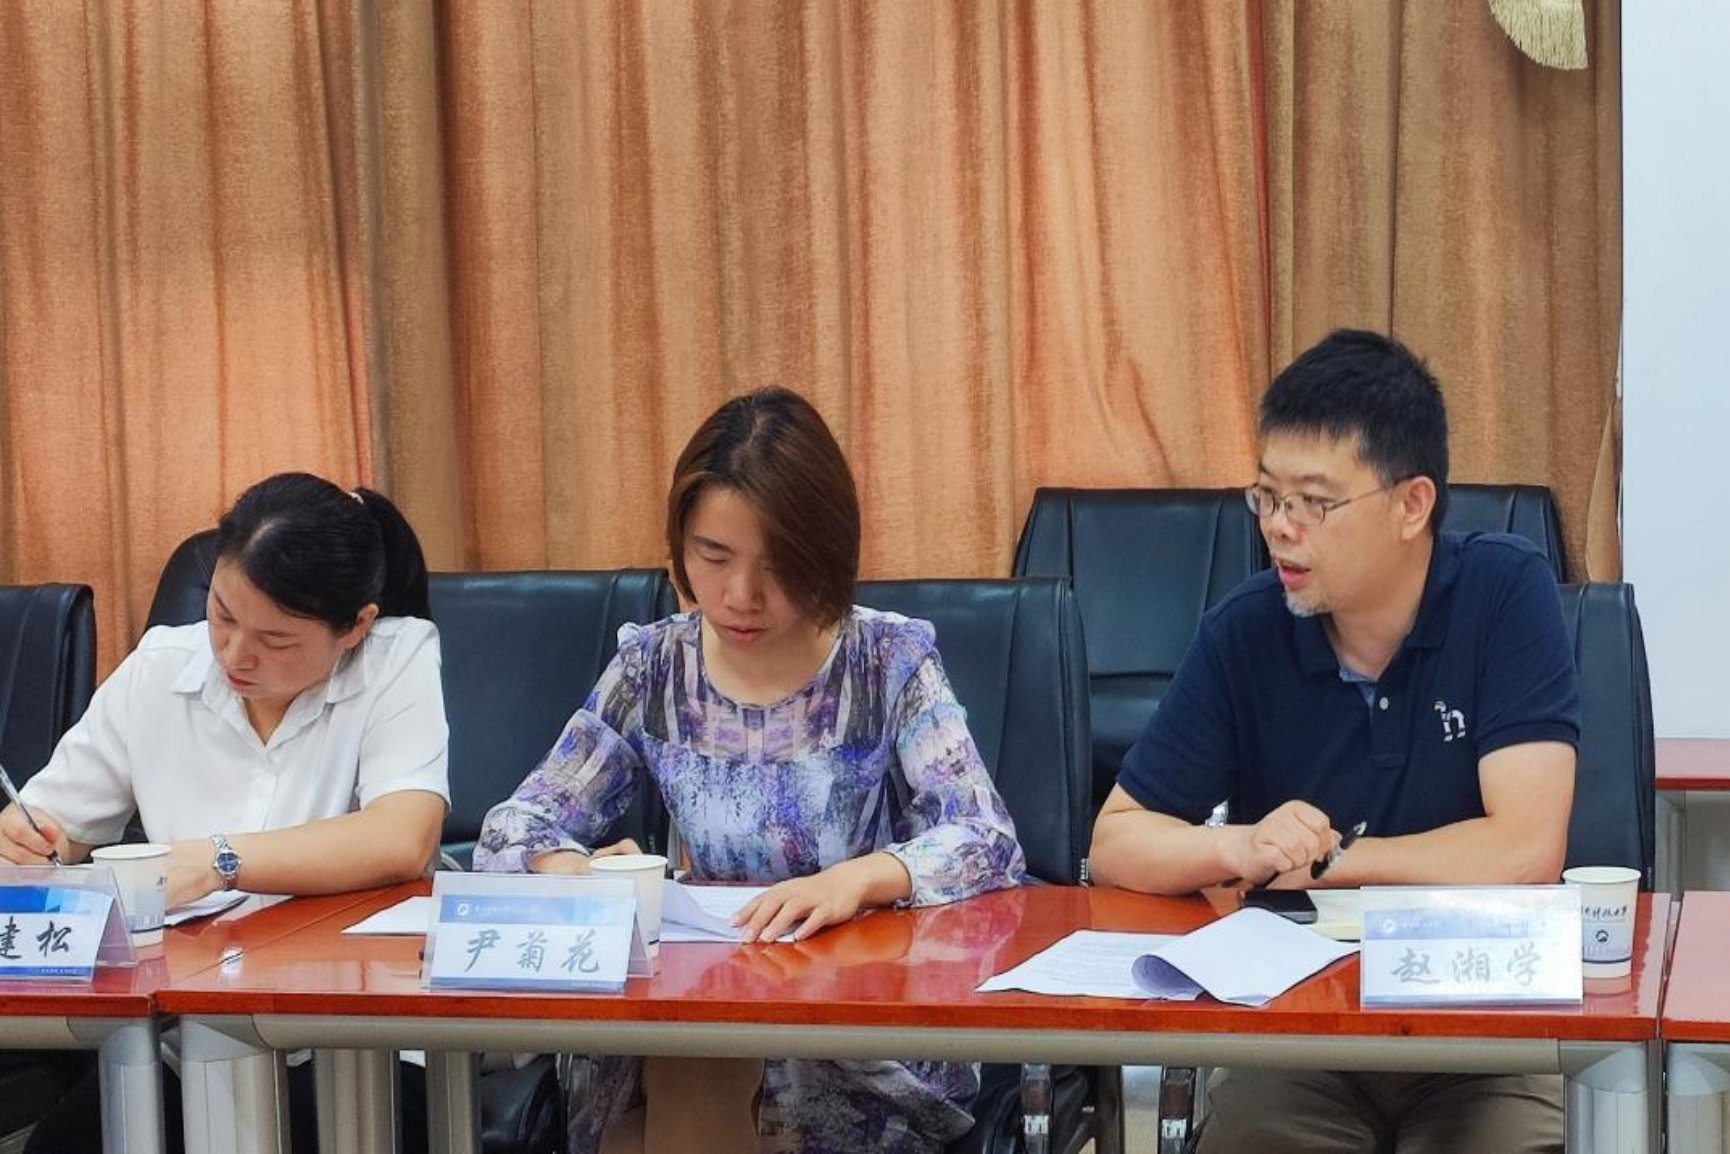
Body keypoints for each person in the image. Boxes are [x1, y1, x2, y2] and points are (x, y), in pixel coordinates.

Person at [476, 386, 1026, 1154]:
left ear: (825, 554)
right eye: (714, 557)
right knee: (689, 1062)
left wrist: (859, 880)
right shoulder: (654, 667)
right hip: (693, 1011)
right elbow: (514, 827)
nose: (741, 596)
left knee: (676, 1102)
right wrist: (576, 870)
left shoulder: (886, 661)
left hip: (852, 1031)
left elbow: (985, 836)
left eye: (778, 566)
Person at [1089, 330, 1579, 1154]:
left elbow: (1527, 849)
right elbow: (1116, 841)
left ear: (1411, 505)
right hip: (1297, 1025)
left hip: (1482, 1021)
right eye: (1267, 497)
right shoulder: (1246, 630)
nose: (1280, 529)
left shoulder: (1503, 593)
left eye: (1314, 503)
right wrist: (1238, 846)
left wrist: (1332, 860)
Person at [1, 471, 450, 1154]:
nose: (236, 655)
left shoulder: (396, 658)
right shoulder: (160, 668)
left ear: (356, 626)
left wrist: (218, 861)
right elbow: (51, 823)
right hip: (185, 1036)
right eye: (223, 615)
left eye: (276, 639)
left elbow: (403, 836)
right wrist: (29, 843)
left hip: (357, 1039)